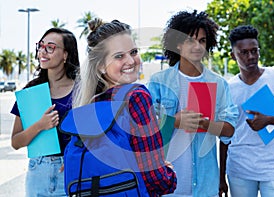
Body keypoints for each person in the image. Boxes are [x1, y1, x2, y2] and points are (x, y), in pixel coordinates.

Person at [72, 18, 177, 197]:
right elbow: (154, 179)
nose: (131, 60)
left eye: (134, 52)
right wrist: (169, 176)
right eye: (119, 56)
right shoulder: (137, 97)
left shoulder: (90, 104)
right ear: (101, 67)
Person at [147, 10, 238, 197]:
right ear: (178, 44)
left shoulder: (219, 84)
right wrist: (174, 121)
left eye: (202, 41)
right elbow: (144, 131)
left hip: (204, 185)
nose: (197, 46)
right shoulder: (159, 82)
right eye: (190, 40)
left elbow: (229, 130)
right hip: (166, 184)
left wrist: (207, 124)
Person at [220, 25, 274, 197]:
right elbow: (225, 136)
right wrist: (221, 179)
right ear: (233, 55)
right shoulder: (228, 88)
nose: (251, 57)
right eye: (244, 52)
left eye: (254, 51)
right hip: (239, 171)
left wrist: (270, 119)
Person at [10, 27, 80, 196]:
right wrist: (40, 125)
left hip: (70, 172)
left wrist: (75, 160)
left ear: (65, 54)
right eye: (41, 46)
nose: (43, 51)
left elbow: (96, 136)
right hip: (38, 173)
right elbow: (16, 141)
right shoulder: (31, 91)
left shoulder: (81, 90)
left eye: (50, 47)